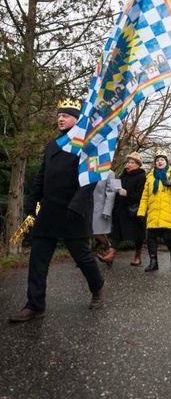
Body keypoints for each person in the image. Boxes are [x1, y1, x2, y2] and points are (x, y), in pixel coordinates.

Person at [9, 99, 106, 322]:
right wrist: (32, 202)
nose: (61, 118)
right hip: (50, 210)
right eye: (59, 115)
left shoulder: (86, 144)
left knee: (82, 256)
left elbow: (91, 179)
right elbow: (43, 176)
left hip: (74, 210)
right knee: (38, 259)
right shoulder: (53, 145)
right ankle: (35, 305)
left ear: (77, 119)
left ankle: (98, 286)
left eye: (66, 115)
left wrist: (77, 203)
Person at [137, 150, 171, 272]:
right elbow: (145, 196)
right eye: (157, 160)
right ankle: (153, 262)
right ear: (155, 163)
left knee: (167, 237)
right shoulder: (150, 177)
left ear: (166, 161)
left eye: (162, 160)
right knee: (151, 237)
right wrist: (141, 212)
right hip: (153, 212)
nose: (160, 162)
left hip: (167, 211)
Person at [98, 152, 146, 267]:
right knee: (117, 232)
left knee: (137, 234)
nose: (129, 164)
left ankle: (137, 256)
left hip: (133, 210)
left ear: (138, 165)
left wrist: (127, 193)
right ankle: (111, 255)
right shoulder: (123, 174)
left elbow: (141, 195)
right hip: (120, 208)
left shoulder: (141, 176)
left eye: (132, 163)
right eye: (129, 162)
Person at [92, 170, 117, 261]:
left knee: (97, 233)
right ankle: (86, 257)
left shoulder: (110, 173)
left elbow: (111, 193)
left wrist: (107, 210)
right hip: (86, 206)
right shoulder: (87, 170)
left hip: (100, 208)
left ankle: (109, 250)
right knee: (85, 233)